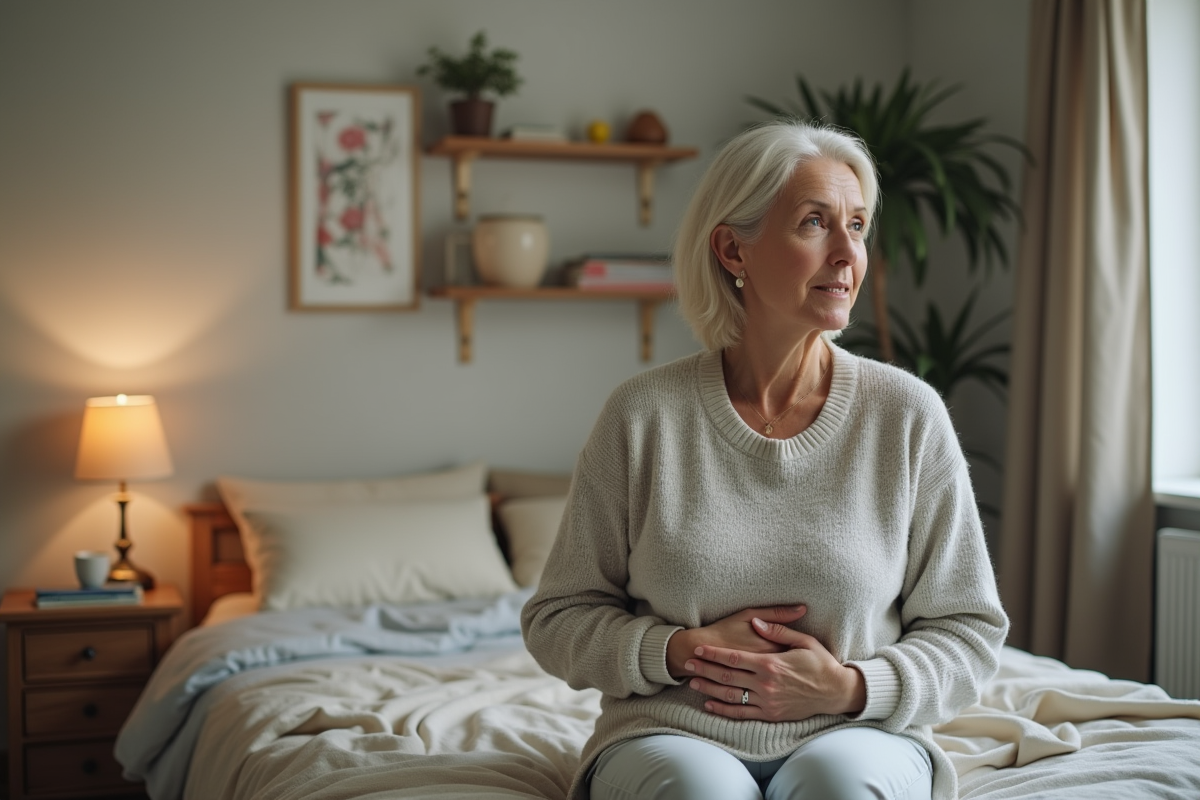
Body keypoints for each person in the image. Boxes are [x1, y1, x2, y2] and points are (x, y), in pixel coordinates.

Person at [520, 120, 1008, 800]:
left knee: (839, 787)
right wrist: (675, 651)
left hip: (856, 731)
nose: (848, 254)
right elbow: (558, 617)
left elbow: (970, 628)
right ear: (732, 249)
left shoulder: (906, 414)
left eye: (858, 226)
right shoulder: (643, 416)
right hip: (671, 732)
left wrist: (850, 687)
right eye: (815, 222)